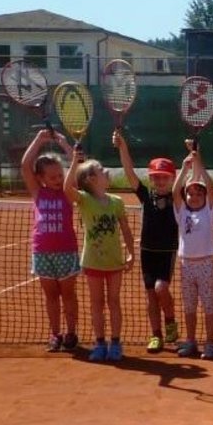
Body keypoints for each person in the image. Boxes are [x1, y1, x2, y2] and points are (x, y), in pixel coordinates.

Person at [65, 151, 135, 363]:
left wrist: (132, 252)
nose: (106, 171)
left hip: (114, 261)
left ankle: (115, 343)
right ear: (91, 180)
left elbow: (125, 229)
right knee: (96, 303)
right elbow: (67, 188)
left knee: (114, 302)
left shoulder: (117, 202)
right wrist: (74, 162)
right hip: (93, 262)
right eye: (101, 170)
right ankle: (100, 343)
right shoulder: (84, 200)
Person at [114, 131, 180, 353]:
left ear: (172, 179)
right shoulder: (146, 196)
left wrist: (192, 158)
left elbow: (186, 182)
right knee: (151, 295)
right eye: (156, 177)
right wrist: (122, 147)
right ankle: (156, 335)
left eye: (165, 177)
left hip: (167, 251)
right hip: (147, 252)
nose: (160, 181)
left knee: (162, 288)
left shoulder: (176, 199)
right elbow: (130, 173)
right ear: (151, 179)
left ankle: (170, 320)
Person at [20, 129, 80, 353]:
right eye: (52, 177)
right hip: (42, 252)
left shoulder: (67, 192)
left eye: (59, 175)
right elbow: (26, 165)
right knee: (51, 296)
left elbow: (78, 162)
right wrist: (38, 140)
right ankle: (55, 334)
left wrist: (64, 143)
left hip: (66, 251)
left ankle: (71, 332)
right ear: (40, 178)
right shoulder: (37, 192)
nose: (58, 180)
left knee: (68, 295)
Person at [173, 143, 213, 359]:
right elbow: (175, 191)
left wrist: (199, 161)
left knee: (209, 307)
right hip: (186, 266)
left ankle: (210, 344)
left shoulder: (209, 213)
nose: (194, 197)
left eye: (198, 194)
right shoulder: (181, 212)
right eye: (190, 194)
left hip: (205, 265)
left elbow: (211, 189)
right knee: (189, 307)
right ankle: (191, 342)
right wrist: (185, 167)